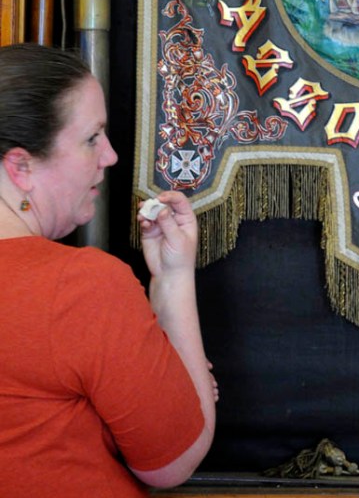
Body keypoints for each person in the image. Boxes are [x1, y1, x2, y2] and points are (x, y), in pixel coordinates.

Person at [0, 43, 217, 497]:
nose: (111, 156)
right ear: (21, 166)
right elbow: (174, 458)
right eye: (92, 138)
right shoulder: (80, 287)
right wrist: (174, 280)